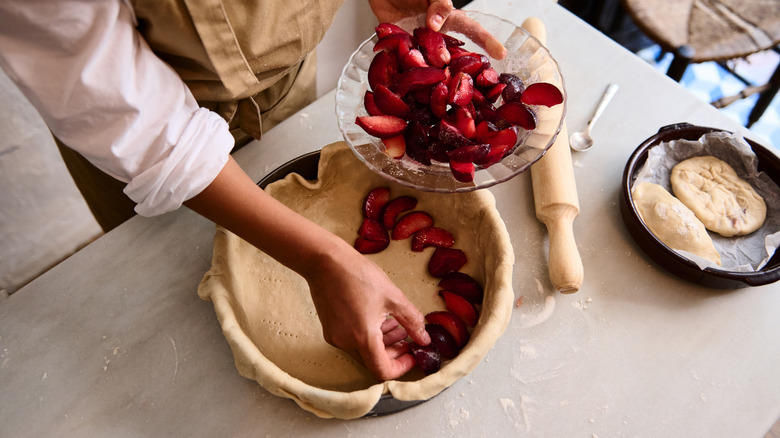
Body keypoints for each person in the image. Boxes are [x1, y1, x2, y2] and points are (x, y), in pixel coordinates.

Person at [0, 0, 505, 381]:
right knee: (159, 297)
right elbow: (109, 98)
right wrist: (323, 258)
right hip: (138, 140)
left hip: (280, 81)